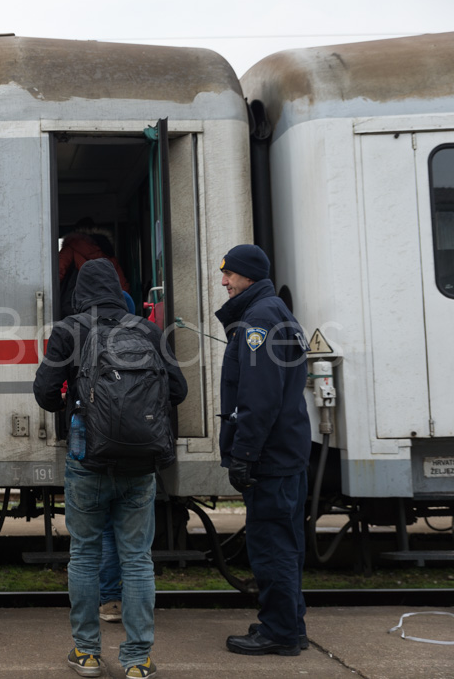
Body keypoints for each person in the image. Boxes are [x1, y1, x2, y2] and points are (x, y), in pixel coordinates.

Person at [33, 258, 187, 679]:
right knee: (137, 559)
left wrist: (72, 404)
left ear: (80, 292)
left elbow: (44, 392)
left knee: (84, 554)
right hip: (140, 464)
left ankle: (86, 654)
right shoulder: (148, 330)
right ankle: (138, 660)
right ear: (116, 288)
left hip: (88, 460)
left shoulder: (68, 330)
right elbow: (178, 389)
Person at [215, 244, 312, 657]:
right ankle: (290, 622)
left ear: (248, 277)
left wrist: (244, 454)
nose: (224, 282)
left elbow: (259, 398)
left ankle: (279, 633)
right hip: (287, 451)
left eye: (230, 276)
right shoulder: (278, 313)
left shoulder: (258, 320)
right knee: (286, 543)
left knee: (271, 543)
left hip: (270, 456)